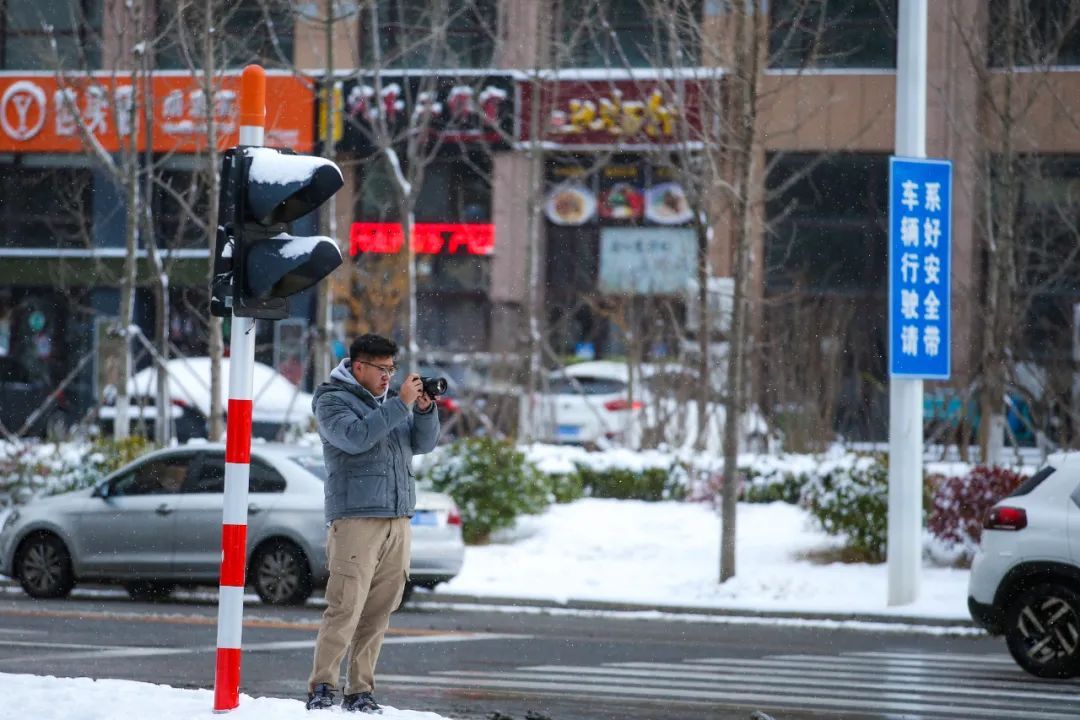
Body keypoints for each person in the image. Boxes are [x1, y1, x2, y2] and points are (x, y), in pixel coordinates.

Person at [306, 333, 441, 713]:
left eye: (392, 370)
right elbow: (355, 437)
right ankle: (322, 687)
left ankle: (359, 690)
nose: (388, 377)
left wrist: (425, 410)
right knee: (345, 607)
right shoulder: (332, 400)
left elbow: (423, 444)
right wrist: (400, 405)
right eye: (381, 369)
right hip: (355, 520)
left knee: (379, 610)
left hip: (397, 518)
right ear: (358, 366)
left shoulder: (390, 404)